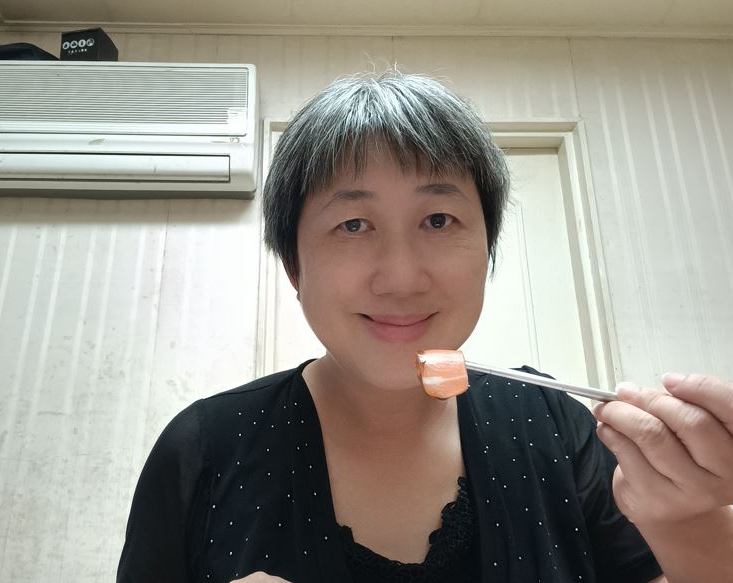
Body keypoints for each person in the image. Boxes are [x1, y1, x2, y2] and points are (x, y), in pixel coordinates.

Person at [117, 71, 733, 583]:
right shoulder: (204, 448)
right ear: (293, 266)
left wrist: (687, 519)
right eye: (353, 225)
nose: (402, 278)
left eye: (438, 220)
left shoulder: (555, 424)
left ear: (487, 250)